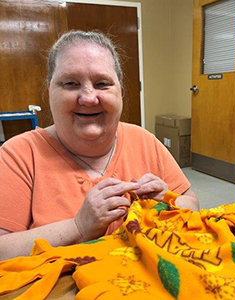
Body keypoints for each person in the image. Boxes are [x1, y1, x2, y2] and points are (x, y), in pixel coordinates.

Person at [0, 30, 198, 261]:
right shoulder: (18, 156)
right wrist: (79, 227)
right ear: (49, 92)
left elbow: (192, 203)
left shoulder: (144, 140)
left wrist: (167, 202)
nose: (88, 97)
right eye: (70, 83)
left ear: (120, 93)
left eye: (102, 83)